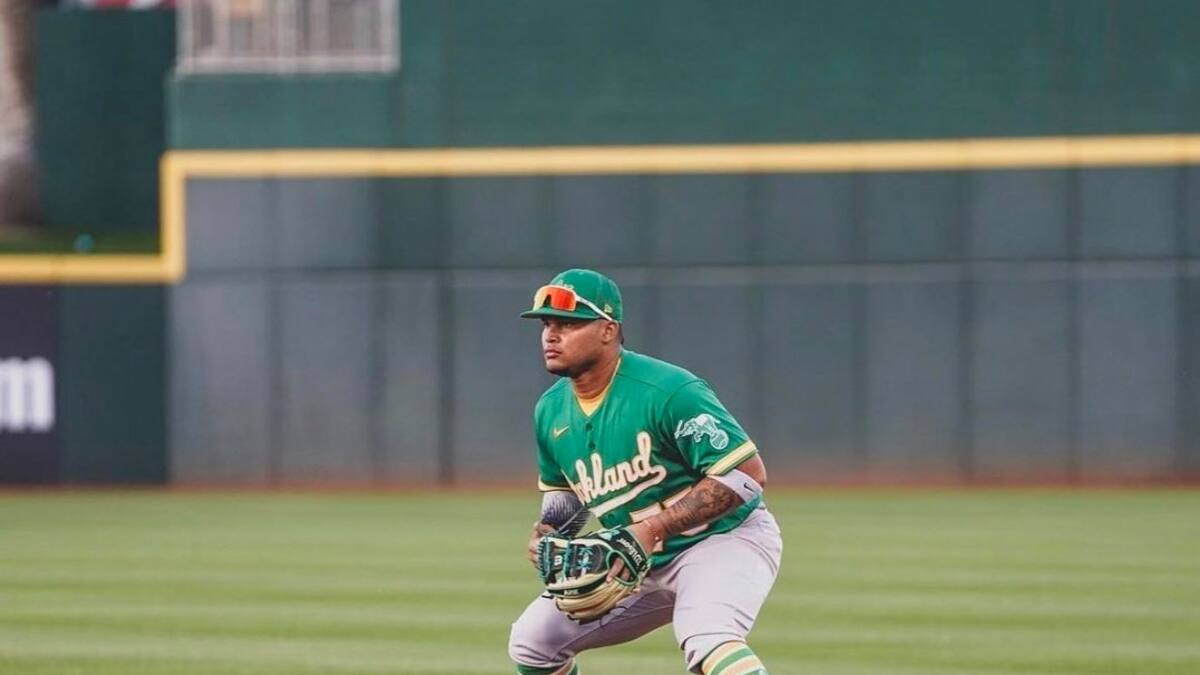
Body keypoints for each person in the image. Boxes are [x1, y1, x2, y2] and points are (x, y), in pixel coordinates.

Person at [509, 268, 783, 675]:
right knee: (532, 643)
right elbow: (566, 494)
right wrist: (551, 533)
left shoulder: (667, 390)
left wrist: (653, 529)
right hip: (635, 560)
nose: (551, 335)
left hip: (722, 541)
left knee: (709, 640)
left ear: (608, 330)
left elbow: (745, 476)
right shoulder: (550, 410)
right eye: (547, 324)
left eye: (568, 324)